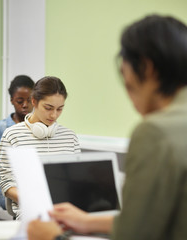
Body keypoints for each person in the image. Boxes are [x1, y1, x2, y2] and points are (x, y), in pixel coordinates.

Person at [27, 15, 187, 240]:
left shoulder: (155, 132)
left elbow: (137, 233)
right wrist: (85, 220)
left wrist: (53, 238)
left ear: (146, 68)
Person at [0, 76, 81, 219]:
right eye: (48, 108)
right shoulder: (12, 135)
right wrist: (33, 202)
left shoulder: (70, 137)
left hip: (67, 211)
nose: (54, 115)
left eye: (60, 109)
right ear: (34, 101)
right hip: (32, 213)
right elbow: (6, 184)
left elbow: (76, 180)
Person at [0, 75, 34, 210]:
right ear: (12, 100)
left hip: (33, 183)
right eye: (20, 101)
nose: (25, 105)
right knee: (29, 202)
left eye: (29, 100)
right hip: (7, 187)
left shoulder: (39, 128)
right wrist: (10, 169)